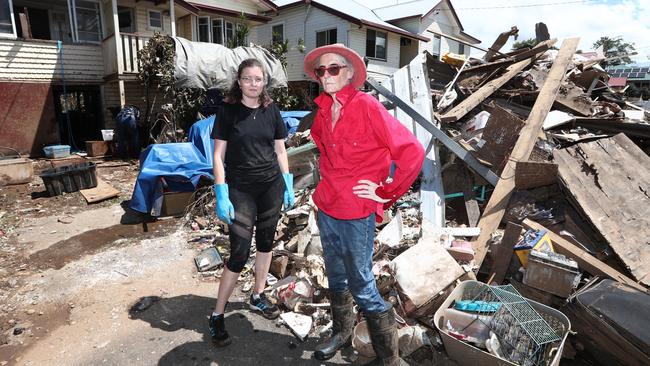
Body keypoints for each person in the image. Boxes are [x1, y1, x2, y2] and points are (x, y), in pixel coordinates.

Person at [304, 44, 424, 365]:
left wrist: (385, 191)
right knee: (336, 275)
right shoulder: (322, 111)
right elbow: (321, 148)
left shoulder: (367, 106)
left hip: (357, 212)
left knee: (362, 284)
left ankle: (390, 359)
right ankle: (341, 334)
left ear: (349, 74)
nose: (326, 75)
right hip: (327, 207)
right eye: (321, 70)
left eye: (333, 69)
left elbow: (412, 151)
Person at [208, 58, 295, 347]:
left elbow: (280, 150)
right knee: (239, 250)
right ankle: (218, 314)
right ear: (239, 81)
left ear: (264, 83)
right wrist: (221, 191)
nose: (253, 84)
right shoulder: (228, 111)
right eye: (248, 79)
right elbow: (218, 156)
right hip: (240, 189)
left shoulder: (272, 110)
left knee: (267, 242)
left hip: (270, 186)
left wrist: (288, 182)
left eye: (258, 79)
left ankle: (258, 295)